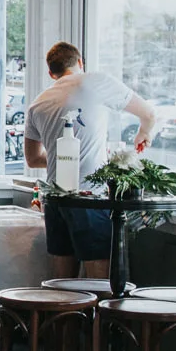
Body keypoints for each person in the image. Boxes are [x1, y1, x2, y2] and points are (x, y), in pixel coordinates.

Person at [23, 41, 158, 279]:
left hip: (54, 198)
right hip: (89, 197)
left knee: (62, 282)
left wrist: (64, 159)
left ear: (51, 73)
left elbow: (33, 159)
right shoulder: (94, 81)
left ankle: (64, 307)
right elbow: (148, 113)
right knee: (99, 277)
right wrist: (144, 132)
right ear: (80, 62)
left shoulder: (38, 104)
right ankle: (100, 307)